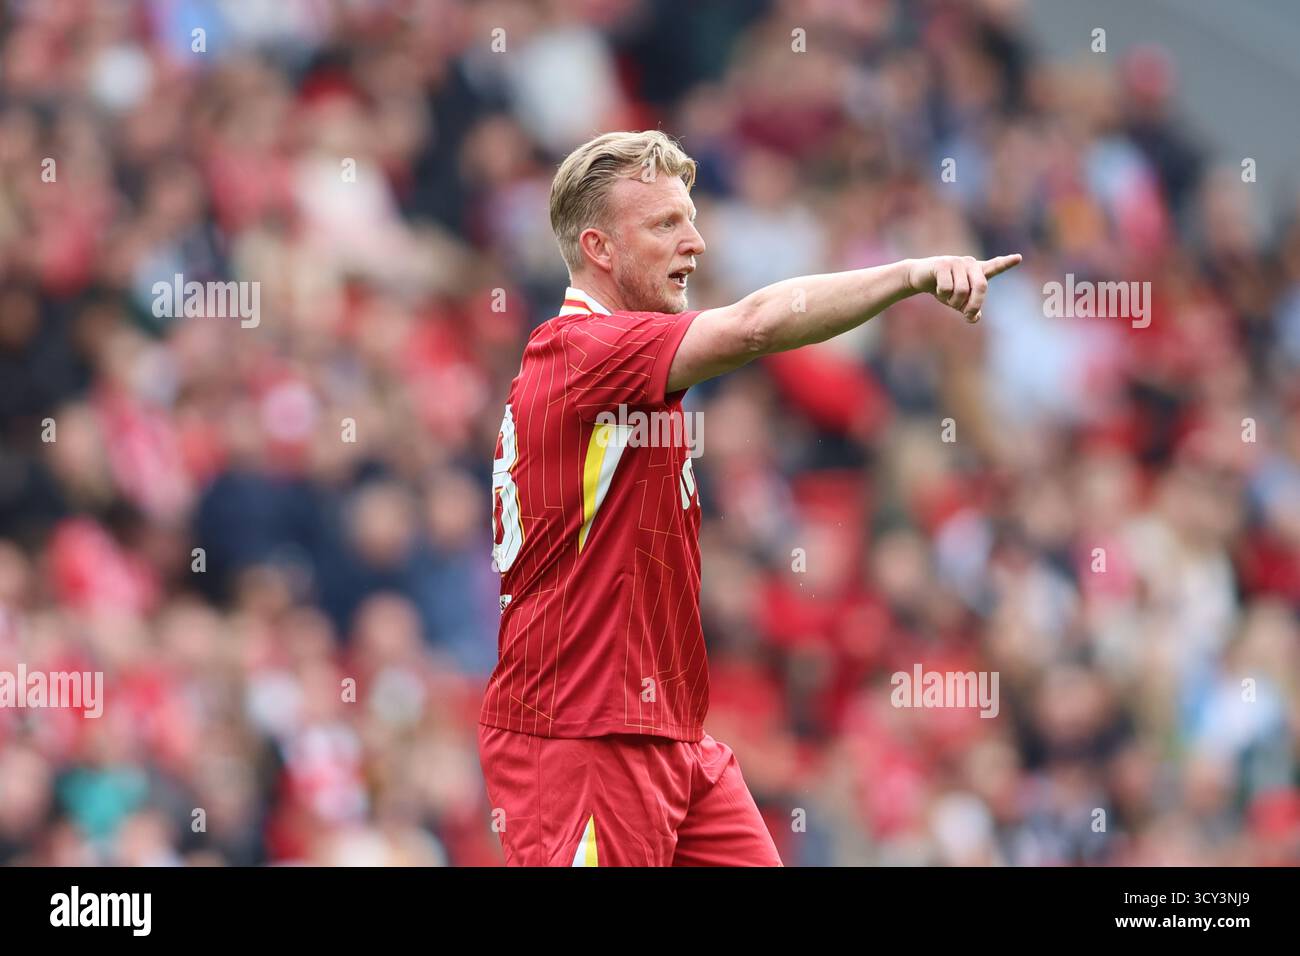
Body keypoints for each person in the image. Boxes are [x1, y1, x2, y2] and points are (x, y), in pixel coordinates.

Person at [478, 130, 1021, 866]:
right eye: (665, 224)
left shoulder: (623, 365)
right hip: (582, 732)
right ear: (600, 249)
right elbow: (759, 324)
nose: (695, 243)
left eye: (691, 218)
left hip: (666, 730)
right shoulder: (583, 350)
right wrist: (910, 274)